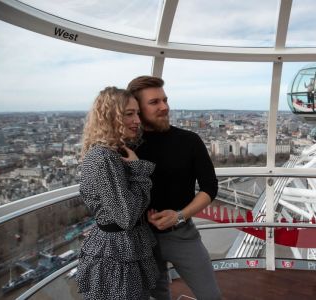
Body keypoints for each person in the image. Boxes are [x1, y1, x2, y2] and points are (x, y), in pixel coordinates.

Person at [127, 76, 222, 300]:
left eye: (165, 100)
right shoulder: (127, 147)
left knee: (211, 296)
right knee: (158, 296)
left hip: (181, 233)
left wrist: (179, 216)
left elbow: (210, 187)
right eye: (154, 102)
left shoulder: (190, 140)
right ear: (137, 109)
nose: (164, 107)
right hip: (141, 238)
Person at [76, 87, 159, 299]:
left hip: (122, 246)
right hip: (117, 251)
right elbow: (126, 216)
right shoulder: (104, 158)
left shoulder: (111, 152)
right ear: (109, 116)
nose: (137, 120)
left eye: (137, 113)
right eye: (129, 114)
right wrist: (139, 170)